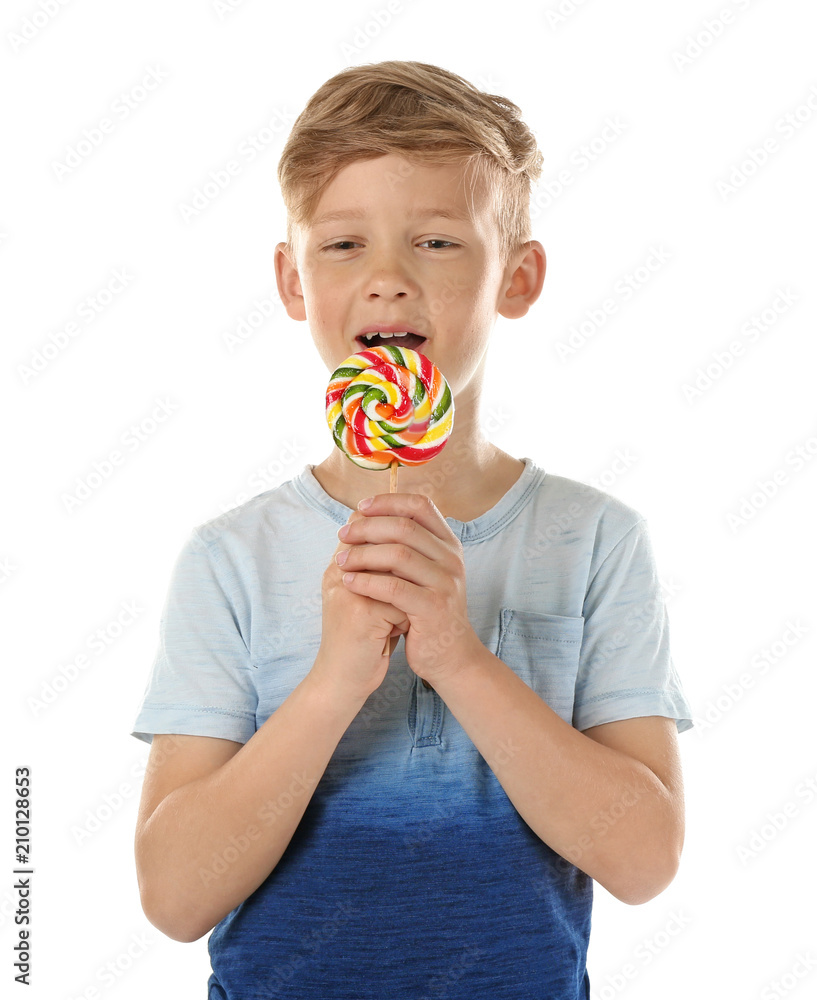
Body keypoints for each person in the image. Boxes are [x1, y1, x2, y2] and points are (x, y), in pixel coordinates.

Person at [131, 60, 694, 999]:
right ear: (291, 280)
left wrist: (458, 657)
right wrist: (333, 680)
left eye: (436, 241)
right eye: (343, 244)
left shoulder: (595, 540)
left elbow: (643, 862)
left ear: (517, 277)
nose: (388, 279)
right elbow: (174, 897)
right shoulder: (229, 559)